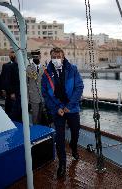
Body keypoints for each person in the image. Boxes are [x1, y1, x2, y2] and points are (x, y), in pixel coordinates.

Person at [41, 47, 84, 178]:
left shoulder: (73, 69)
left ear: (63, 57)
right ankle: (62, 164)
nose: (56, 59)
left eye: (58, 56)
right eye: (53, 57)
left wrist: (69, 106)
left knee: (75, 131)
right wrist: (57, 108)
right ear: (50, 57)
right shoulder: (46, 73)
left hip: (72, 108)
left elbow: (79, 87)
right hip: (57, 109)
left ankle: (74, 146)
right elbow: (45, 94)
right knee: (59, 138)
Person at [27, 50, 44, 124]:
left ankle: (41, 129)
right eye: (34, 57)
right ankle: (35, 129)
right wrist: (27, 98)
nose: (36, 58)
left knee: (42, 115)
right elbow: (26, 83)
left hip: (43, 95)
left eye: (37, 56)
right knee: (35, 115)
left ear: (40, 56)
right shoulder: (28, 68)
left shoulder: (44, 68)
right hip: (33, 95)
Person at [1, 51, 16, 117]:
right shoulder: (6, 66)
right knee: (8, 111)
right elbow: (3, 78)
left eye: (14, 55)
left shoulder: (20, 65)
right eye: (11, 55)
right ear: (9, 56)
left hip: (17, 92)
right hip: (9, 92)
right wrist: (3, 89)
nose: (12, 57)